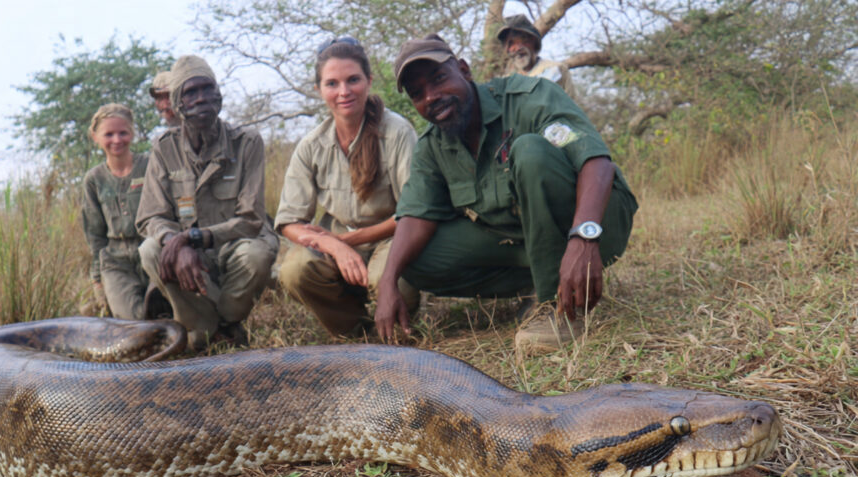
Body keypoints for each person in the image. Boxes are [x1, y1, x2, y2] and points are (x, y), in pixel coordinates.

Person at [375, 35, 638, 353]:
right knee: (412, 261)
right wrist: (388, 282)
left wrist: (584, 237)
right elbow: (415, 215)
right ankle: (542, 279)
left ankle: (556, 309)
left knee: (529, 150)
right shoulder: (433, 146)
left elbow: (595, 161)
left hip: (596, 225)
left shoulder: (529, 96)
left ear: (464, 70)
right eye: (418, 94)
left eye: (439, 79)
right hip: (521, 239)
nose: (431, 97)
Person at [274, 37, 420, 336]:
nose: (344, 92)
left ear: (369, 81)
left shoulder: (398, 132)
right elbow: (289, 222)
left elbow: (413, 213)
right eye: (332, 83)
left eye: (353, 80)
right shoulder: (311, 145)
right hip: (337, 238)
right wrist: (333, 246)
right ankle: (356, 332)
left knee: (394, 285)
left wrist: (351, 241)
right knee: (294, 270)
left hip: (391, 238)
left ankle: (394, 324)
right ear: (319, 90)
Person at [136, 55, 278, 350]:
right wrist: (176, 243)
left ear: (219, 97)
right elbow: (150, 217)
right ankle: (212, 330)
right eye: (191, 92)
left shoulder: (246, 142)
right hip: (193, 258)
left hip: (235, 246)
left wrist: (191, 237)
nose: (201, 98)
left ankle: (222, 324)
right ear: (178, 104)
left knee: (257, 255)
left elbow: (251, 219)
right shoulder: (164, 148)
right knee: (150, 249)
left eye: (206, 89)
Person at [81, 103, 152, 320]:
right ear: (95, 137)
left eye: (123, 133)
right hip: (116, 260)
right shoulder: (94, 179)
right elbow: (95, 235)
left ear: (132, 133)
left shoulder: (151, 166)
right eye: (109, 134)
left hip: (152, 252)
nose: (117, 140)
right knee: (133, 321)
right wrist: (97, 280)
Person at [497, 15, 577, 99]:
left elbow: (572, 104)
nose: (517, 48)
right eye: (511, 43)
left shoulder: (556, 70)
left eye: (523, 39)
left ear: (534, 41)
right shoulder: (506, 84)